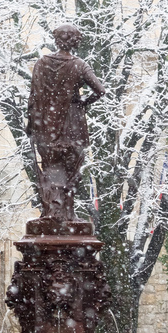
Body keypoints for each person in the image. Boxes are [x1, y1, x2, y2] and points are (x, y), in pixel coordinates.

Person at [26, 24, 106, 220]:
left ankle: (52, 212)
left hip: (47, 125)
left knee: (51, 169)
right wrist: (83, 103)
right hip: (73, 124)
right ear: (74, 42)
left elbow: (34, 97)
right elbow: (100, 90)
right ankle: (68, 214)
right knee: (72, 170)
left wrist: (32, 125)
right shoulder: (79, 65)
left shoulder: (42, 63)